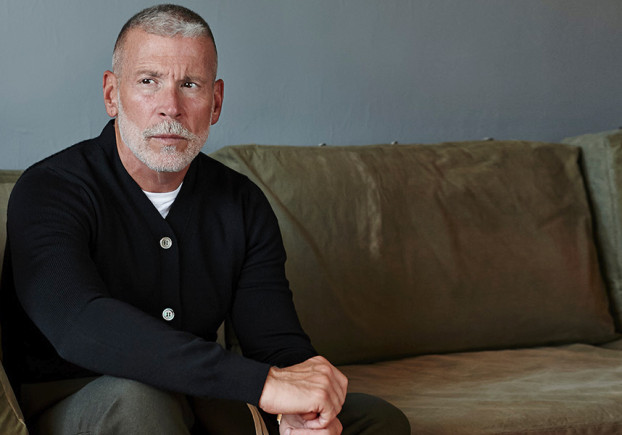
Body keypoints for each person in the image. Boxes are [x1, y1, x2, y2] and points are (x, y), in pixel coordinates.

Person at [0, 4, 410, 435]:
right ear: (111, 94)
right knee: (141, 403)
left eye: (189, 85)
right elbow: (79, 323)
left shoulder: (241, 202)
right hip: (77, 402)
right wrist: (261, 384)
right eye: (148, 81)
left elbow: (274, 340)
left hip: (201, 396)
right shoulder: (50, 190)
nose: (170, 107)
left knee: (374, 420)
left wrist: (307, 406)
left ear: (215, 103)